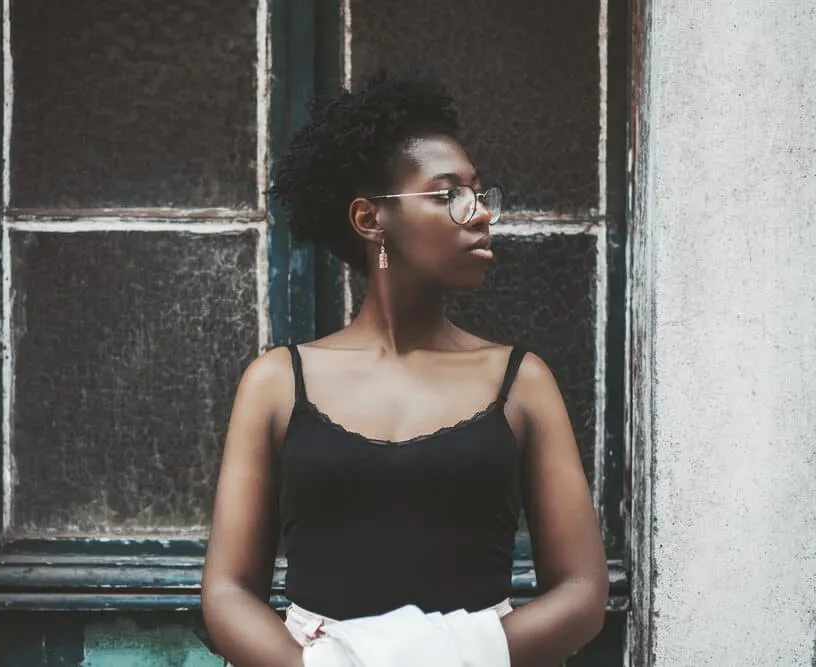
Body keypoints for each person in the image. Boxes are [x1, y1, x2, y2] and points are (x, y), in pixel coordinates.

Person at [201, 76, 608, 667]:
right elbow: (227, 591)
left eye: (479, 191)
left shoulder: (522, 382)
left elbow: (581, 596)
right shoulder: (276, 382)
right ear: (370, 219)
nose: (482, 212)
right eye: (450, 195)